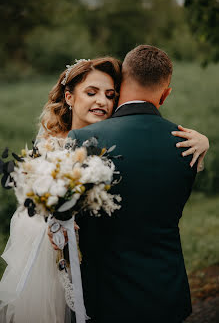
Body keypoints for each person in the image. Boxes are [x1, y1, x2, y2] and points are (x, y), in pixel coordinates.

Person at [0, 54, 209, 323]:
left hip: (103, 289)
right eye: (91, 92)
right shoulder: (50, 153)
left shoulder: (109, 144)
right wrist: (55, 224)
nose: (102, 101)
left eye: (111, 95)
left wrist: (204, 141)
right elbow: (30, 220)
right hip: (64, 278)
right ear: (69, 97)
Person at [66, 46, 209, 323]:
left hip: (106, 296)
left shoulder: (83, 139)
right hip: (168, 292)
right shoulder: (190, 144)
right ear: (165, 94)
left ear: (119, 86)